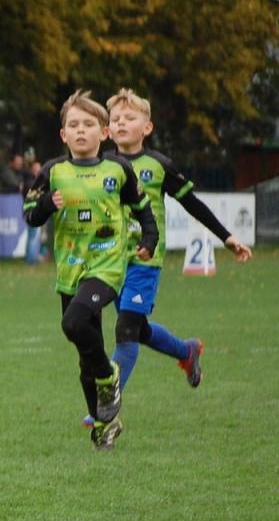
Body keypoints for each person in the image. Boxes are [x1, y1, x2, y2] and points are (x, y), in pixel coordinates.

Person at [22, 90, 156, 450]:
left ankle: (108, 374)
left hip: (108, 265)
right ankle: (104, 425)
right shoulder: (53, 172)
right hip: (70, 269)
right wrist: (47, 204)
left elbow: (142, 207)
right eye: (73, 125)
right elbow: (30, 215)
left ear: (105, 132)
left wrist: (150, 238)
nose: (81, 131)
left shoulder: (118, 170)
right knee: (85, 354)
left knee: (74, 324)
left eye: (88, 124)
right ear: (63, 135)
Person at [104, 87, 253, 398]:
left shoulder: (159, 165)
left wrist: (226, 237)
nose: (120, 123)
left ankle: (106, 403)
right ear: (107, 129)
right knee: (139, 329)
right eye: (115, 118)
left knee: (126, 330)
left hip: (145, 260)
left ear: (147, 128)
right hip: (109, 261)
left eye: (129, 118)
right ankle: (187, 351)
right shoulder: (102, 165)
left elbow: (192, 203)